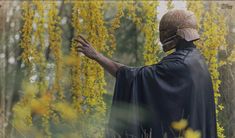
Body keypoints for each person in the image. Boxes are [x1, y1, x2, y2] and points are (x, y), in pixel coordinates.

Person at [76, 9, 217, 138]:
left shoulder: (179, 65)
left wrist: (97, 56)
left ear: (177, 35)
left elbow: (133, 77)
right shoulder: (196, 59)